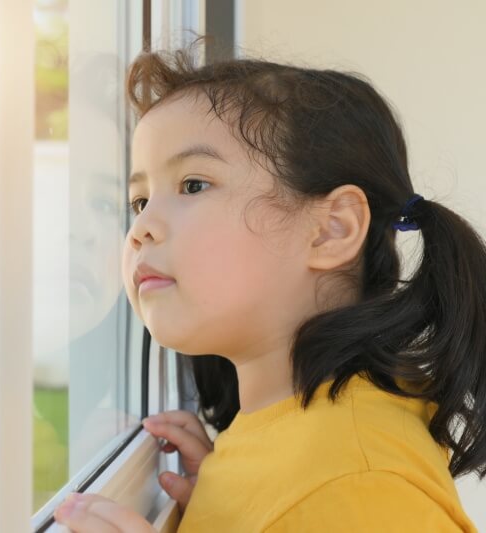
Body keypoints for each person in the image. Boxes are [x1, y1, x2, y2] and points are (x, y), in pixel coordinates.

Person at [53, 41, 484, 532]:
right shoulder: (292, 441)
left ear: (332, 230)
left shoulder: (354, 479)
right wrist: (221, 500)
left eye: (193, 185)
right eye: (139, 201)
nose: (141, 228)